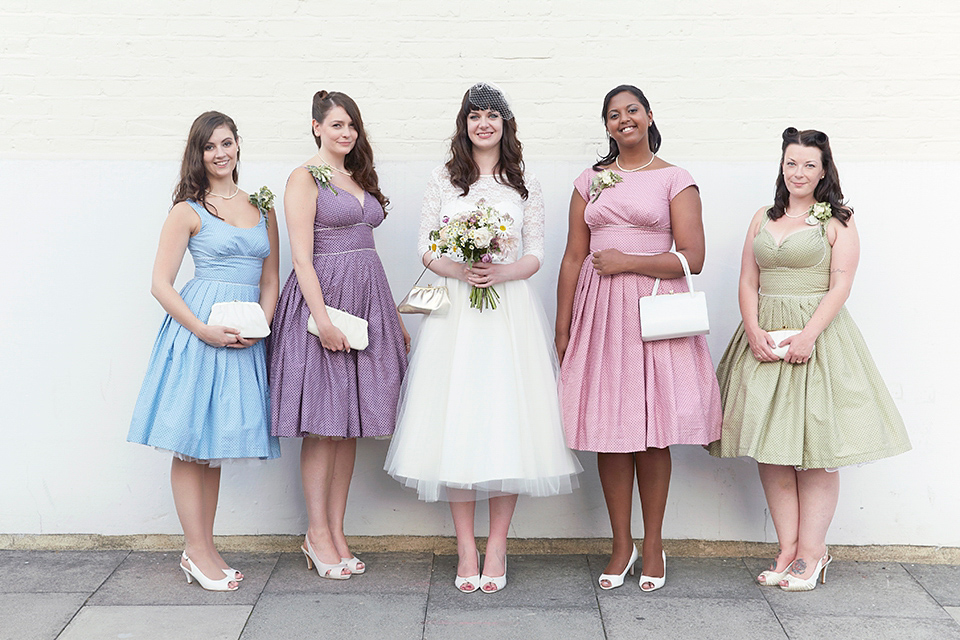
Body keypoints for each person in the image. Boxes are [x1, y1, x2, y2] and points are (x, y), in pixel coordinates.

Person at [385, 82, 581, 594]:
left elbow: (536, 252)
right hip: (457, 313)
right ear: (464, 124)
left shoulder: (525, 183)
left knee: (507, 420)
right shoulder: (444, 179)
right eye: (475, 115)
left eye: (493, 115)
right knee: (456, 418)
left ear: (505, 125)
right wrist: (460, 266)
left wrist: (502, 272)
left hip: (508, 312)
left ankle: (497, 545)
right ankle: (465, 546)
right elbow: (426, 245)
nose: (483, 123)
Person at [708, 127, 910, 591]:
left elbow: (840, 284)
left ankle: (813, 554)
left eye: (809, 165)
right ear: (782, 167)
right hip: (764, 337)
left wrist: (808, 336)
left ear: (824, 171)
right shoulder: (763, 216)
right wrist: (754, 329)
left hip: (816, 337)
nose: (798, 172)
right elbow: (746, 279)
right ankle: (787, 548)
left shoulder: (838, 219)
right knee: (770, 449)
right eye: (791, 163)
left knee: (815, 451)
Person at [556, 85, 722, 592]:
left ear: (649, 116)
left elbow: (692, 257)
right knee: (610, 427)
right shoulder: (591, 181)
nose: (624, 119)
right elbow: (572, 257)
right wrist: (562, 326)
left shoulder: (676, 178)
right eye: (613, 114)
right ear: (606, 126)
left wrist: (629, 261)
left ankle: (653, 544)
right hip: (599, 312)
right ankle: (620, 544)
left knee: (652, 431)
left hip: (653, 309)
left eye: (632, 110)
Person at [128, 111, 281, 591]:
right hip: (201, 331)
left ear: (239, 145)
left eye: (227, 143)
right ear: (198, 154)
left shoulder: (263, 206)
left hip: (245, 332)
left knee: (211, 446)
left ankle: (205, 547)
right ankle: (196, 550)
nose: (221, 153)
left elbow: (272, 277)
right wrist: (203, 329)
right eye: (210, 146)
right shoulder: (188, 210)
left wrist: (264, 323)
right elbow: (160, 283)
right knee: (192, 440)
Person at [269, 91, 409, 580]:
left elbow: (368, 251)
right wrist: (322, 319)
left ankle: (336, 530)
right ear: (316, 128)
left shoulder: (357, 176)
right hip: (324, 304)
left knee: (349, 428)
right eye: (335, 125)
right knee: (325, 426)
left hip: (367, 300)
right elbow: (302, 258)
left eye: (351, 125)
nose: (345, 133)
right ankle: (316, 533)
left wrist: (390, 313)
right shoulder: (303, 178)